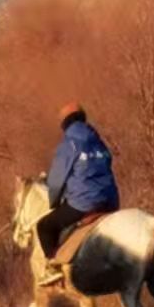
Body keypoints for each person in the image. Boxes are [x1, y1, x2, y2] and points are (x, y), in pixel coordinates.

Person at [37, 101, 118, 260]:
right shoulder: (100, 143)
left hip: (84, 204)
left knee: (45, 226)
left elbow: (55, 182)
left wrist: (54, 203)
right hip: (111, 200)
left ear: (65, 123)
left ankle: (54, 268)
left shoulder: (69, 144)